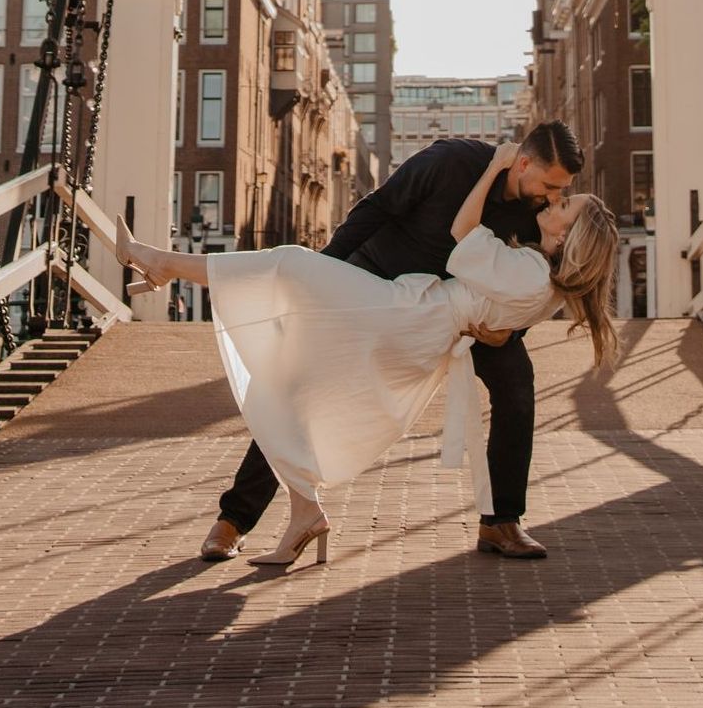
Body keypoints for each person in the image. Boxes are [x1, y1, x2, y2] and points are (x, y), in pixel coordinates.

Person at [118, 129, 618, 567]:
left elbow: (533, 287)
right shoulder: (452, 162)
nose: (553, 198)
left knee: (517, 389)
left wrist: (507, 333)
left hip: (456, 311)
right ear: (524, 163)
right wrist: (326, 274)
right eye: (551, 187)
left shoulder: (539, 213)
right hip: (382, 277)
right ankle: (235, 519)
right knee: (298, 380)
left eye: (562, 194)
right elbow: (376, 207)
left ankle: (502, 521)